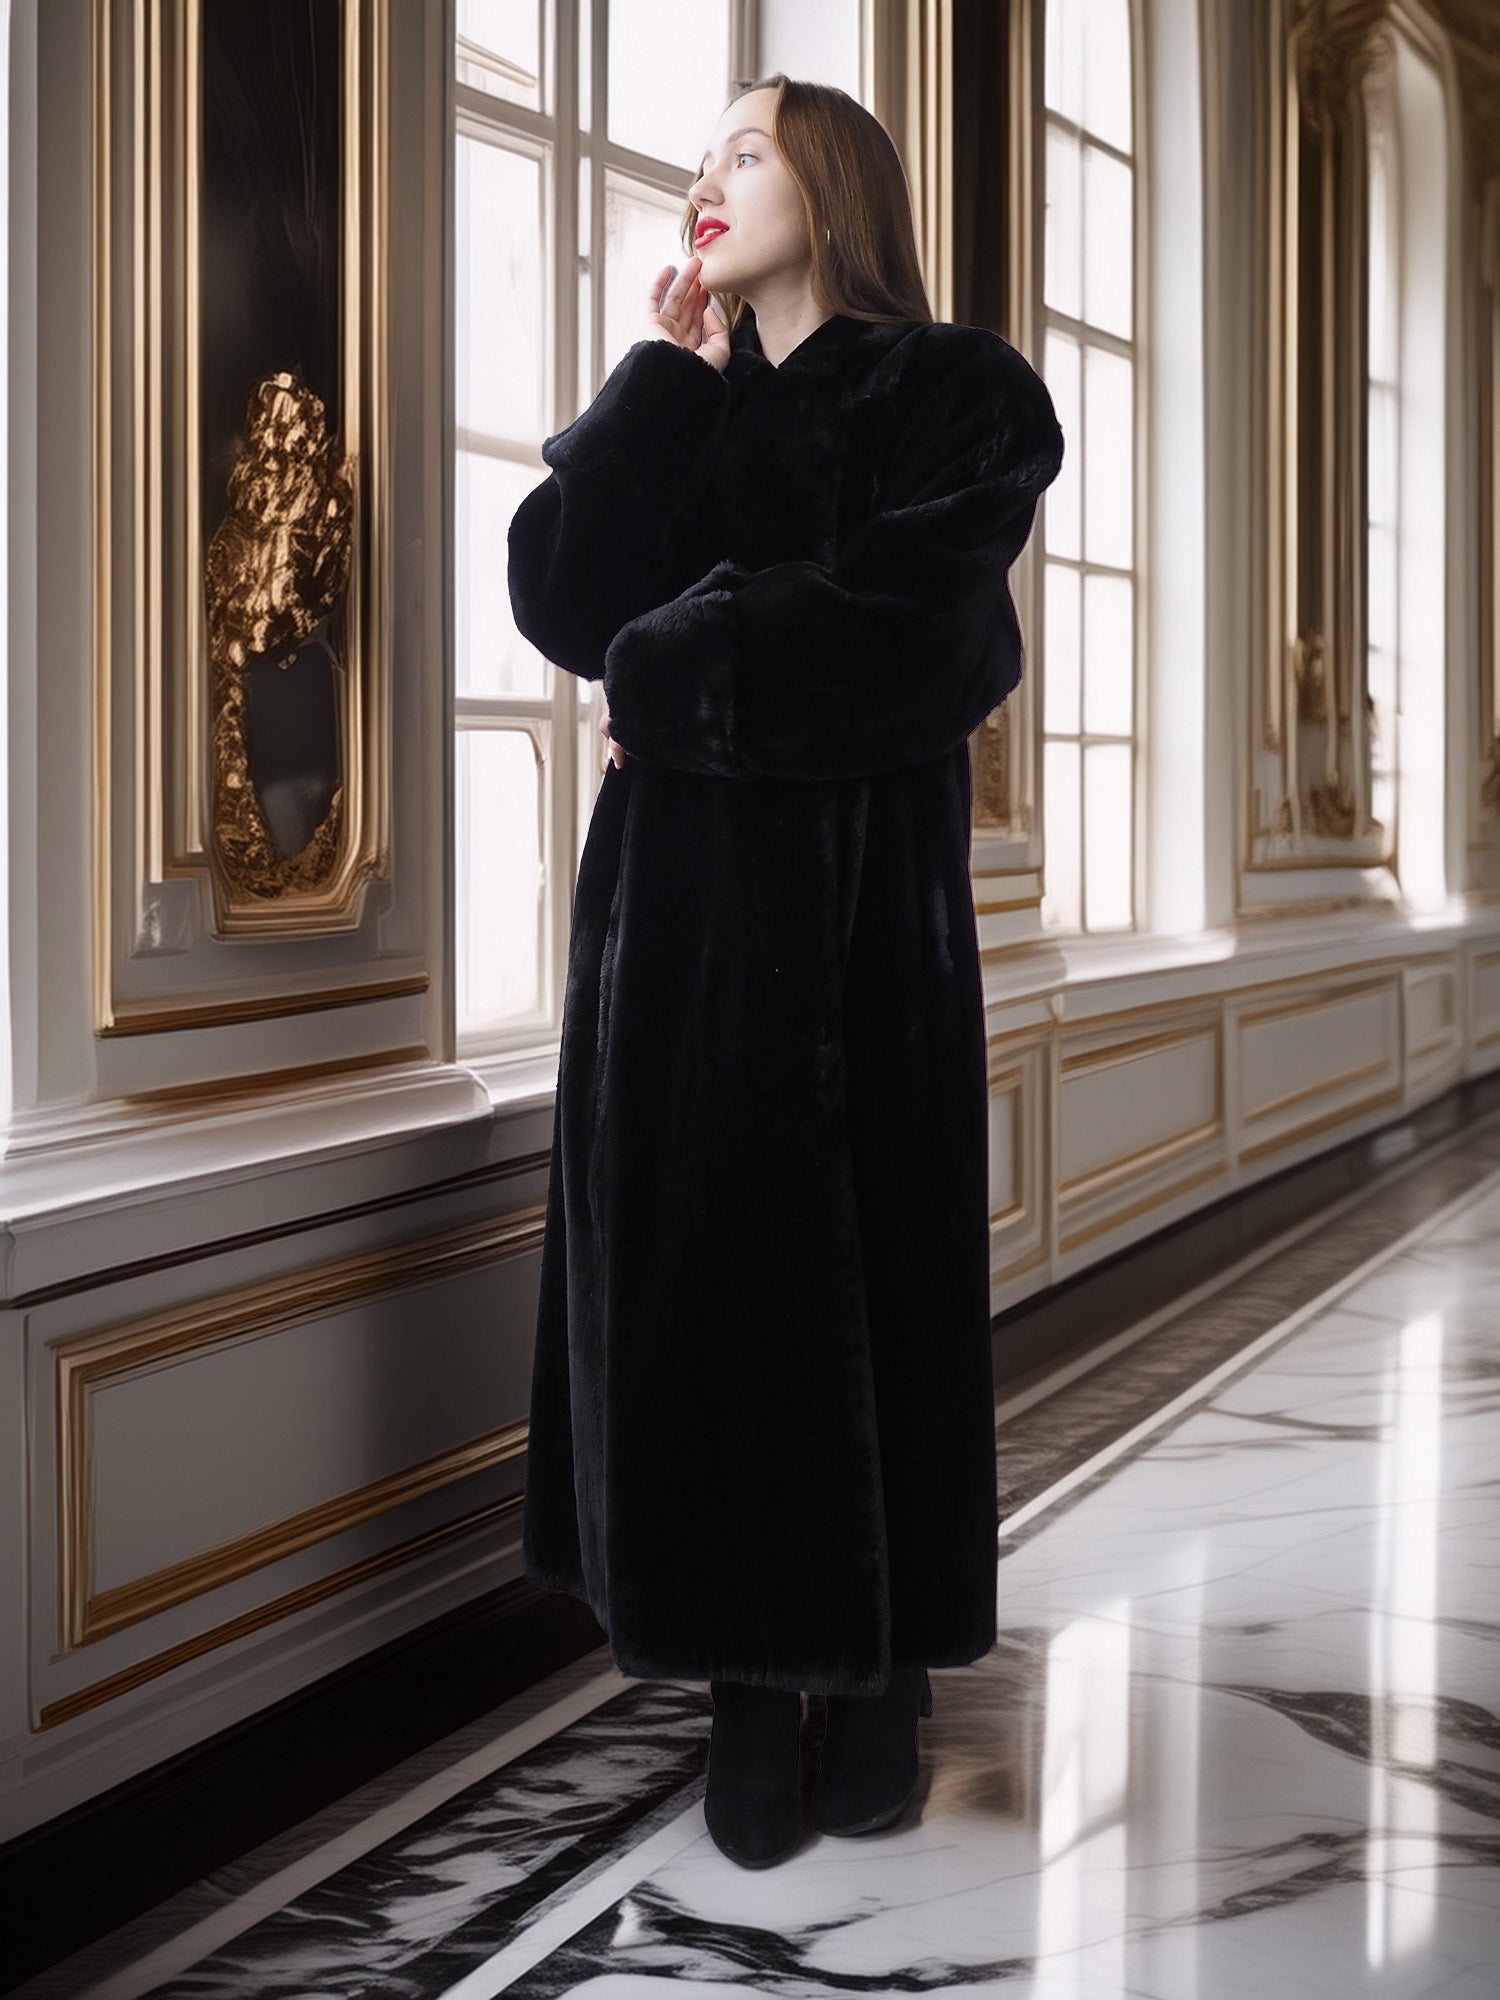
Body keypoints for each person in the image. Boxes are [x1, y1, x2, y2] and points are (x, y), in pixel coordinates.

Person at [507, 72, 1064, 1871]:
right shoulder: (699, 406)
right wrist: (654, 380)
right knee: (700, 1292)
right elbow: (568, 601)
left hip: (854, 935)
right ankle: (749, 1683)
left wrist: (664, 685)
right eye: (700, 163)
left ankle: (882, 1674)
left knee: (868, 1291)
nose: (706, 180)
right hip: (665, 937)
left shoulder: (953, 393)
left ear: (833, 177)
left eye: (742, 151)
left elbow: (920, 637)